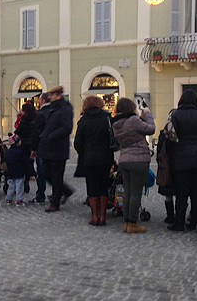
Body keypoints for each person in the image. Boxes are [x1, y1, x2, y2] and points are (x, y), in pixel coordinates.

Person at [167, 89, 197, 231]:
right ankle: (195, 223)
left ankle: (178, 222)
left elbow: (169, 136)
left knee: (181, 193)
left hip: (180, 160)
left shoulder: (175, 116)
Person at [112, 97, 156, 233]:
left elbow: (133, 131)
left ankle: (126, 222)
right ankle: (132, 223)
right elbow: (151, 129)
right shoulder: (133, 120)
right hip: (139, 159)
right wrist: (147, 114)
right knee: (136, 193)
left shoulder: (116, 124)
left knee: (128, 192)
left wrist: (141, 119)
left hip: (124, 159)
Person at [73, 95, 115, 226]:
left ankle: (94, 216)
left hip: (89, 159)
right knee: (104, 185)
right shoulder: (107, 118)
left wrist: (85, 151)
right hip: (106, 157)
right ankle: (103, 216)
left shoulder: (83, 121)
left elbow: (77, 144)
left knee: (92, 187)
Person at [36, 86, 74, 212]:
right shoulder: (53, 108)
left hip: (58, 148)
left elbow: (67, 127)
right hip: (47, 147)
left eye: (52, 95)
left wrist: (52, 136)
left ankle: (55, 202)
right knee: (47, 174)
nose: (50, 97)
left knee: (57, 176)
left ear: (58, 95)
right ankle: (66, 190)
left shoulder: (65, 109)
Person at [29, 93, 50, 204]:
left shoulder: (40, 114)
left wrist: (33, 148)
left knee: (41, 173)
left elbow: (36, 132)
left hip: (42, 147)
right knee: (52, 172)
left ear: (43, 101)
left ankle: (40, 195)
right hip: (52, 147)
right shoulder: (53, 112)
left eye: (39, 99)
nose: (38, 101)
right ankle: (57, 193)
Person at [14, 101, 38, 194]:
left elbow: (17, 132)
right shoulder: (35, 120)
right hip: (32, 145)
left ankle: (24, 183)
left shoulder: (23, 121)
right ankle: (27, 181)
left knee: (22, 164)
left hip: (23, 145)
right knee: (29, 164)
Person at [3, 134, 26, 205]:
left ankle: (8, 199)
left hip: (11, 172)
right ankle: (19, 200)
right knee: (19, 186)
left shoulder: (9, 152)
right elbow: (24, 159)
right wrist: (30, 160)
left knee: (11, 186)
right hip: (19, 171)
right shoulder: (19, 151)